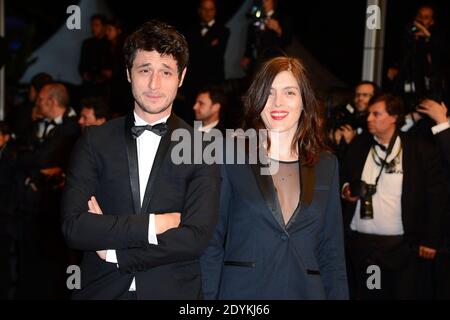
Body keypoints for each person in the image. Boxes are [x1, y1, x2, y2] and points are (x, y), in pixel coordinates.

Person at [61, 20, 221, 300]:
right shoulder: (94, 140)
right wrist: (154, 225)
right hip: (100, 292)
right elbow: (75, 228)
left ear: (181, 77)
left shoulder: (202, 146)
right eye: (144, 70)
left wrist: (115, 252)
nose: (154, 84)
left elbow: (195, 238)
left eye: (166, 72)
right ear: (128, 73)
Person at [200, 56, 349, 299]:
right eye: (269, 93)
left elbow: (332, 252)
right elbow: (211, 242)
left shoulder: (327, 165)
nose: (278, 103)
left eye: (289, 92)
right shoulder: (229, 155)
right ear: (258, 100)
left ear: (304, 102)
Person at [341, 94, 447, 299]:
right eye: (369, 113)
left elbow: (436, 197)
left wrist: (431, 239)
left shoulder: (418, 150)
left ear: (394, 117)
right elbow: (342, 177)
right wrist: (346, 190)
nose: (369, 118)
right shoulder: (359, 145)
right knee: (371, 294)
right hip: (364, 246)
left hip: (402, 248)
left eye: (376, 113)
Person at [241, 0, 293, 76]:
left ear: (273, 2)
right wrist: (247, 55)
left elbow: (288, 41)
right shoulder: (257, 15)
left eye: (266, 0)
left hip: (273, 61)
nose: (263, 2)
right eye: (262, 0)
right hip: (256, 61)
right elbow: (251, 38)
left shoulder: (283, 18)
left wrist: (278, 29)